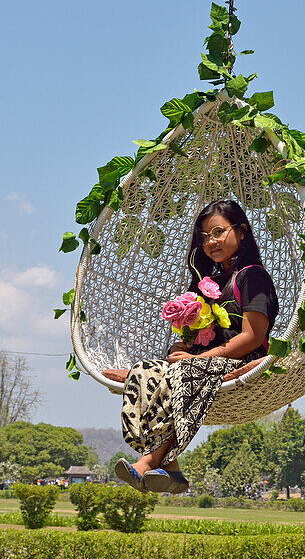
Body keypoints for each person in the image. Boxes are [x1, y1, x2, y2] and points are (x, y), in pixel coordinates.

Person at [104, 200, 279, 494]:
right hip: (203, 364)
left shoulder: (253, 277)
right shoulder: (207, 282)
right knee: (145, 370)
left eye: (219, 232)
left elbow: (252, 335)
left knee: (185, 372)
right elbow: (188, 336)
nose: (211, 242)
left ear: (242, 232)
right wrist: (176, 352)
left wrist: (195, 360)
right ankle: (170, 469)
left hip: (244, 363)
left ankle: (148, 462)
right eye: (205, 236)